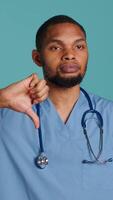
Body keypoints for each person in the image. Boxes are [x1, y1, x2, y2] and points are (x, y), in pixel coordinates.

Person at [0, 15, 113, 200]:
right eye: (56, 47)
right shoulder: (7, 115)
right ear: (37, 58)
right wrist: (1, 98)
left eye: (79, 46)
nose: (70, 54)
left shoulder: (109, 115)